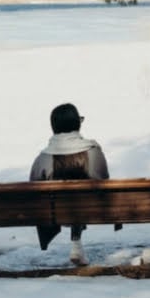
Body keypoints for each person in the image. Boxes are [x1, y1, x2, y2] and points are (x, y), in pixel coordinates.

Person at [30, 102, 110, 265]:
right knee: (82, 199)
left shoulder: (44, 157)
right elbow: (103, 179)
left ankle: (76, 243)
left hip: (55, 213)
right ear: (77, 124)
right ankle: (76, 243)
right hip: (90, 210)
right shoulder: (93, 151)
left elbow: (33, 186)